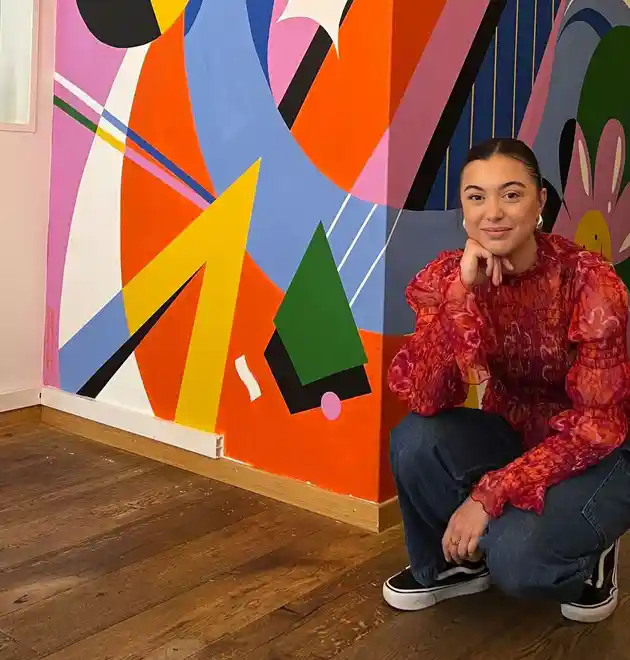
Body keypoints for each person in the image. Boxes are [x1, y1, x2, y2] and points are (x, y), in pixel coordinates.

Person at [383, 137, 630, 624]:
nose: (493, 212)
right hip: (514, 432)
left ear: (540, 202)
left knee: (519, 560)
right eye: (476, 197)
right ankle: (452, 567)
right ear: (464, 209)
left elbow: (597, 428)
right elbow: (426, 398)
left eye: (511, 194)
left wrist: (489, 495)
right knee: (415, 438)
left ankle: (590, 551)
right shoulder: (451, 276)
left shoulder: (590, 283)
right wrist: (460, 295)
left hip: (602, 450)